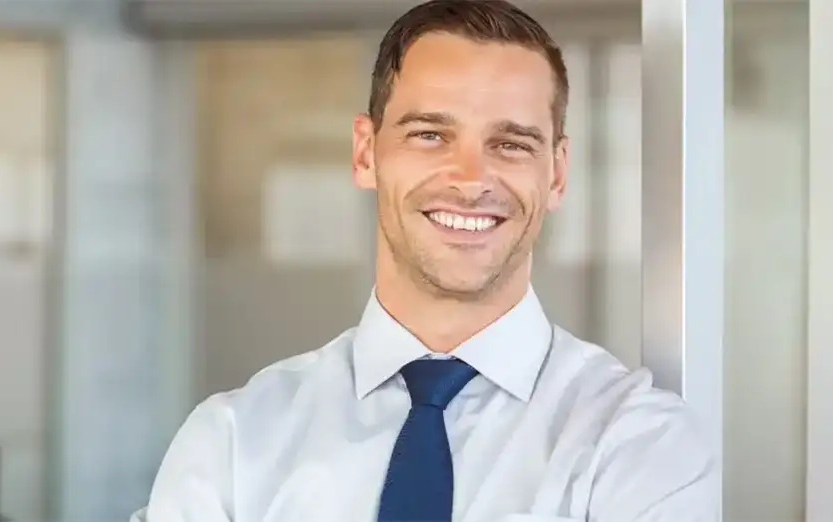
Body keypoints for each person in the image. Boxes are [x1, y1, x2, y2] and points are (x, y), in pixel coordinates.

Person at [133, 0, 718, 520]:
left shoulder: (636, 448)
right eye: (430, 135)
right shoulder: (235, 443)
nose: (471, 180)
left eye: (510, 144)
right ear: (366, 153)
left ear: (558, 173)